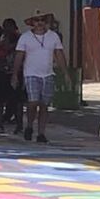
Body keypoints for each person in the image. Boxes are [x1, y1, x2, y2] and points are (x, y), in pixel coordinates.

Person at [13, 9, 68, 144]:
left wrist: (65, 73)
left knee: (44, 105)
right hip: (31, 74)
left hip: (48, 74)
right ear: (32, 22)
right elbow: (19, 56)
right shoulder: (25, 37)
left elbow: (59, 54)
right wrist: (14, 74)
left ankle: (41, 133)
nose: (40, 23)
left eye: (42, 20)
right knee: (33, 103)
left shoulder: (53, 36)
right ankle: (30, 125)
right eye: (37, 20)